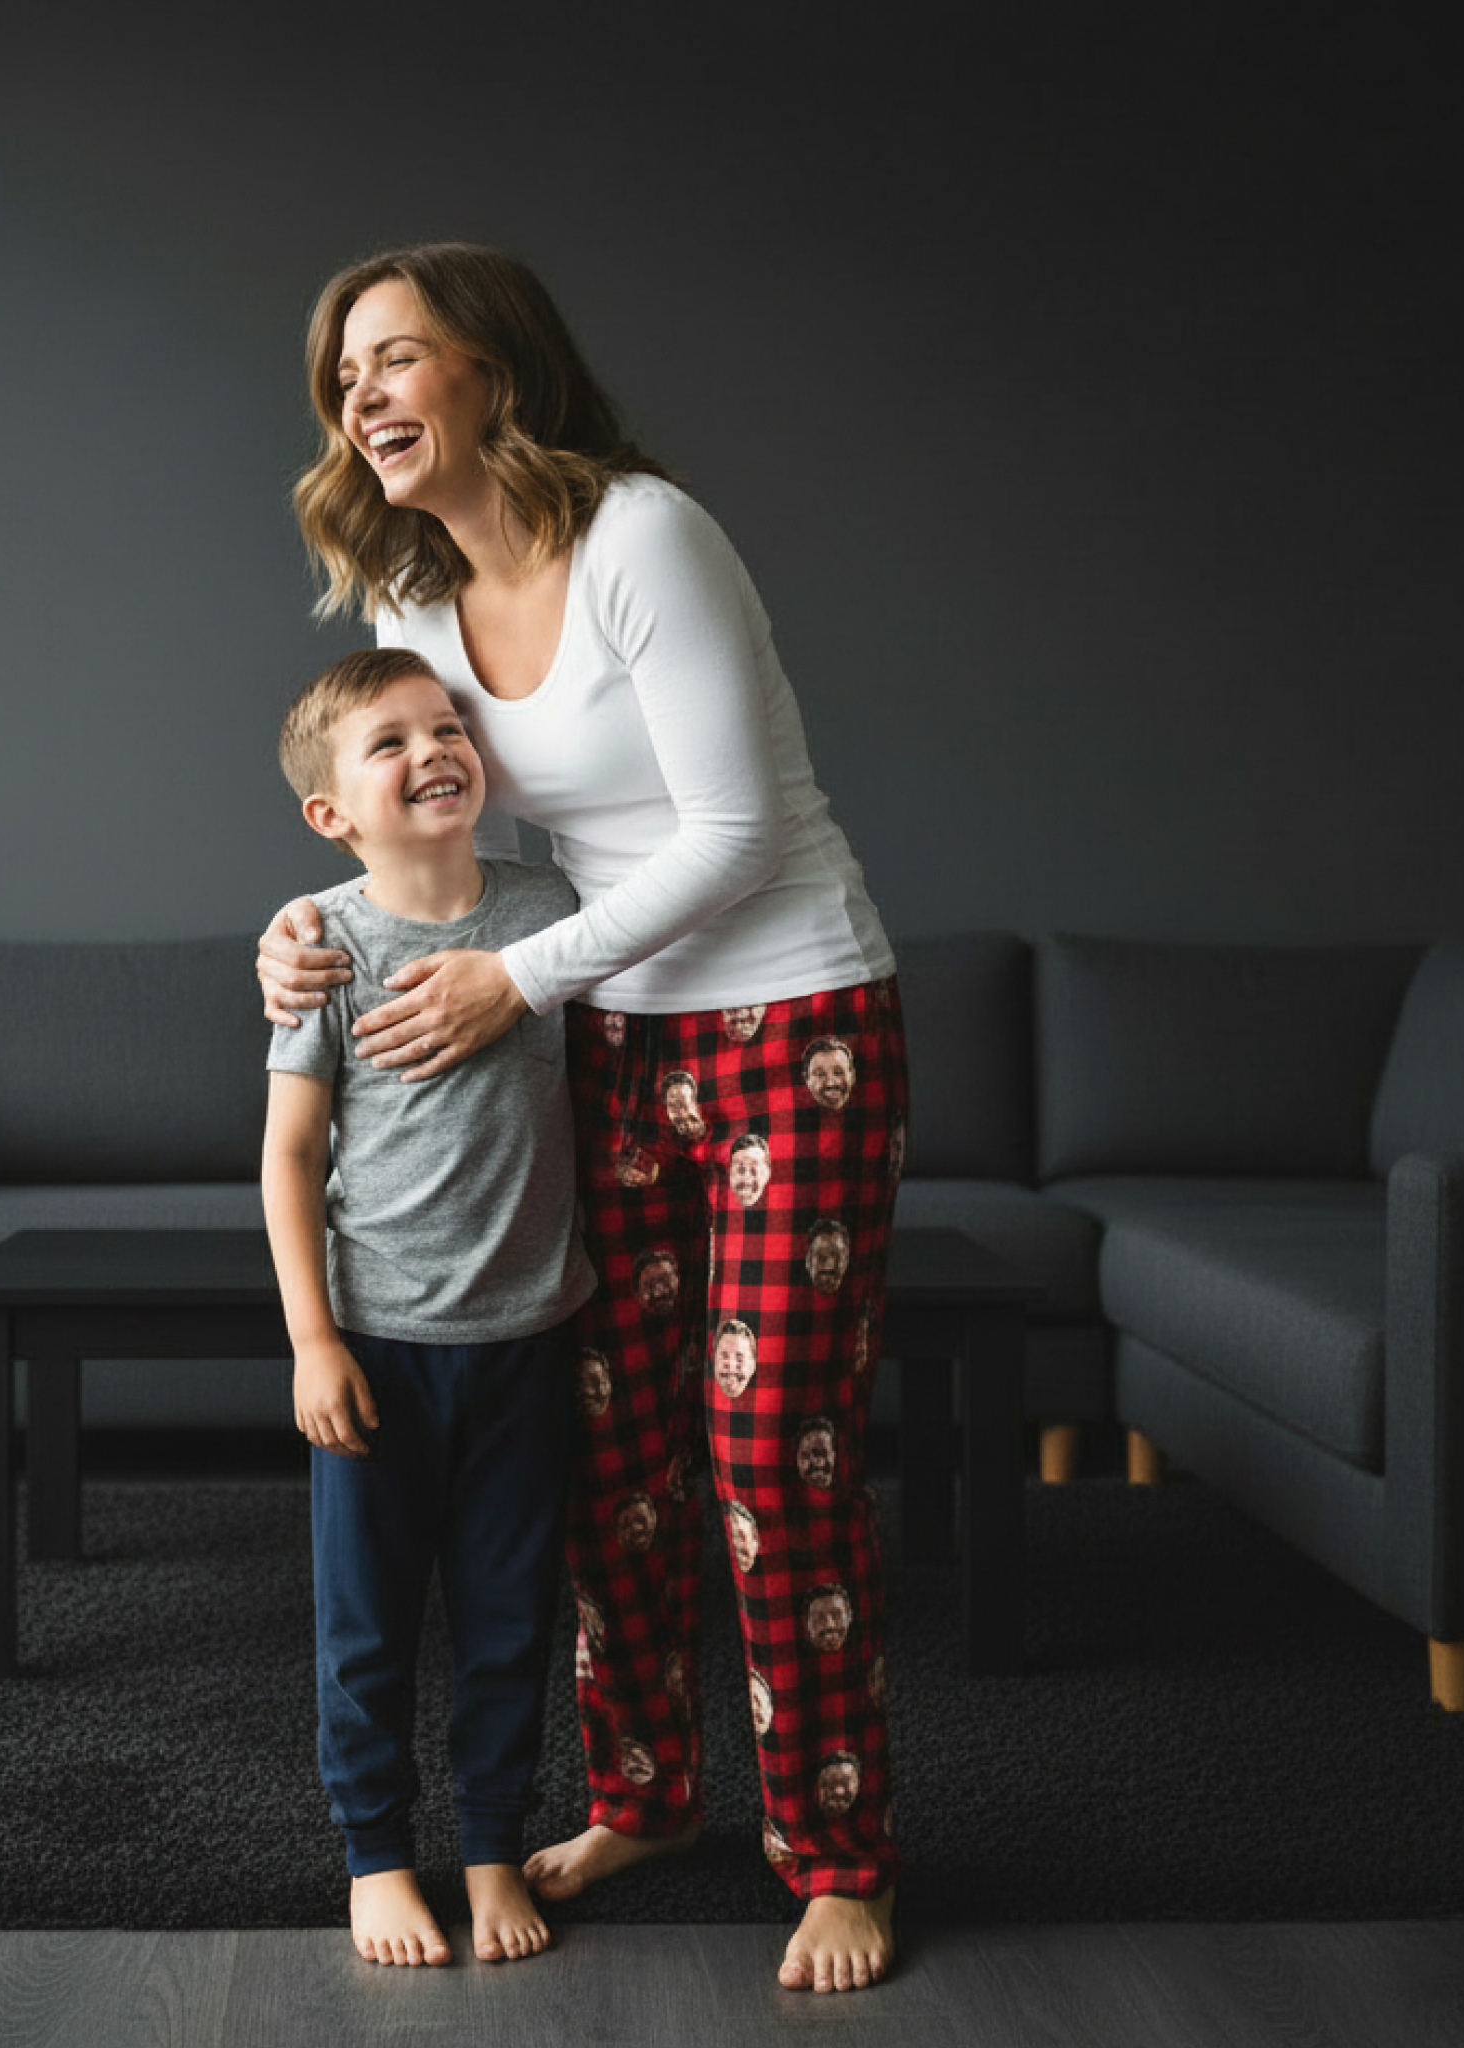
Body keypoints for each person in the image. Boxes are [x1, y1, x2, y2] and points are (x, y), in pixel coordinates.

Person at [258, 240, 908, 1994]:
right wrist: (307, 926)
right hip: (599, 1037)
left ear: (496, 368)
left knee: (774, 1454)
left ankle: (835, 1856)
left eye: (398, 355)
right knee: (614, 1451)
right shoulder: (409, 594)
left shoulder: (645, 537)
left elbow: (739, 836)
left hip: (792, 1017)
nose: (365, 395)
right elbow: (425, 825)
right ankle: (644, 1792)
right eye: (344, 376)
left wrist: (518, 982)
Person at [260, 645, 595, 1970]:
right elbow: (290, 1156)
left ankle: (495, 1847)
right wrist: (311, 1339)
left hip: (531, 1338)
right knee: (370, 1622)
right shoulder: (322, 947)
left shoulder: (554, 905)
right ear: (329, 813)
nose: (432, 750)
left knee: (513, 1616)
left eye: (446, 725)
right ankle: (378, 1858)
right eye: (388, 743)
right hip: (382, 1350)